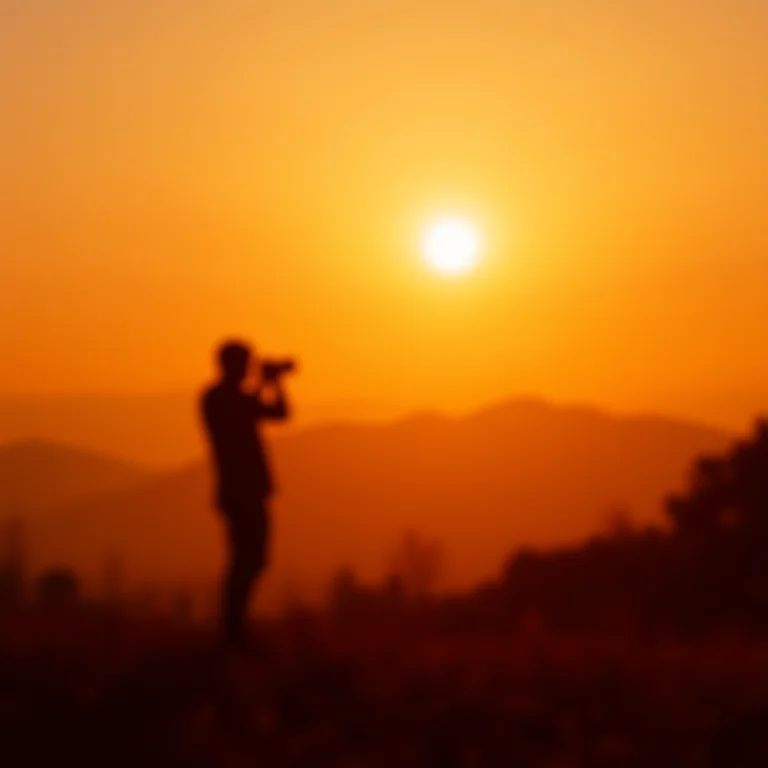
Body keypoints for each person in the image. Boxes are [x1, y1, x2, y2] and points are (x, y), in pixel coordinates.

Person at [200, 339, 291, 648]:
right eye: (244, 363)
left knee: (255, 559)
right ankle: (232, 630)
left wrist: (274, 384)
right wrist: (263, 383)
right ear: (230, 365)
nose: (248, 369)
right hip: (238, 490)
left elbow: (280, 413)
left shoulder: (235, 398)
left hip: (252, 489)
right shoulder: (216, 398)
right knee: (243, 559)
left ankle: (236, 628)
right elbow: (237, 420)